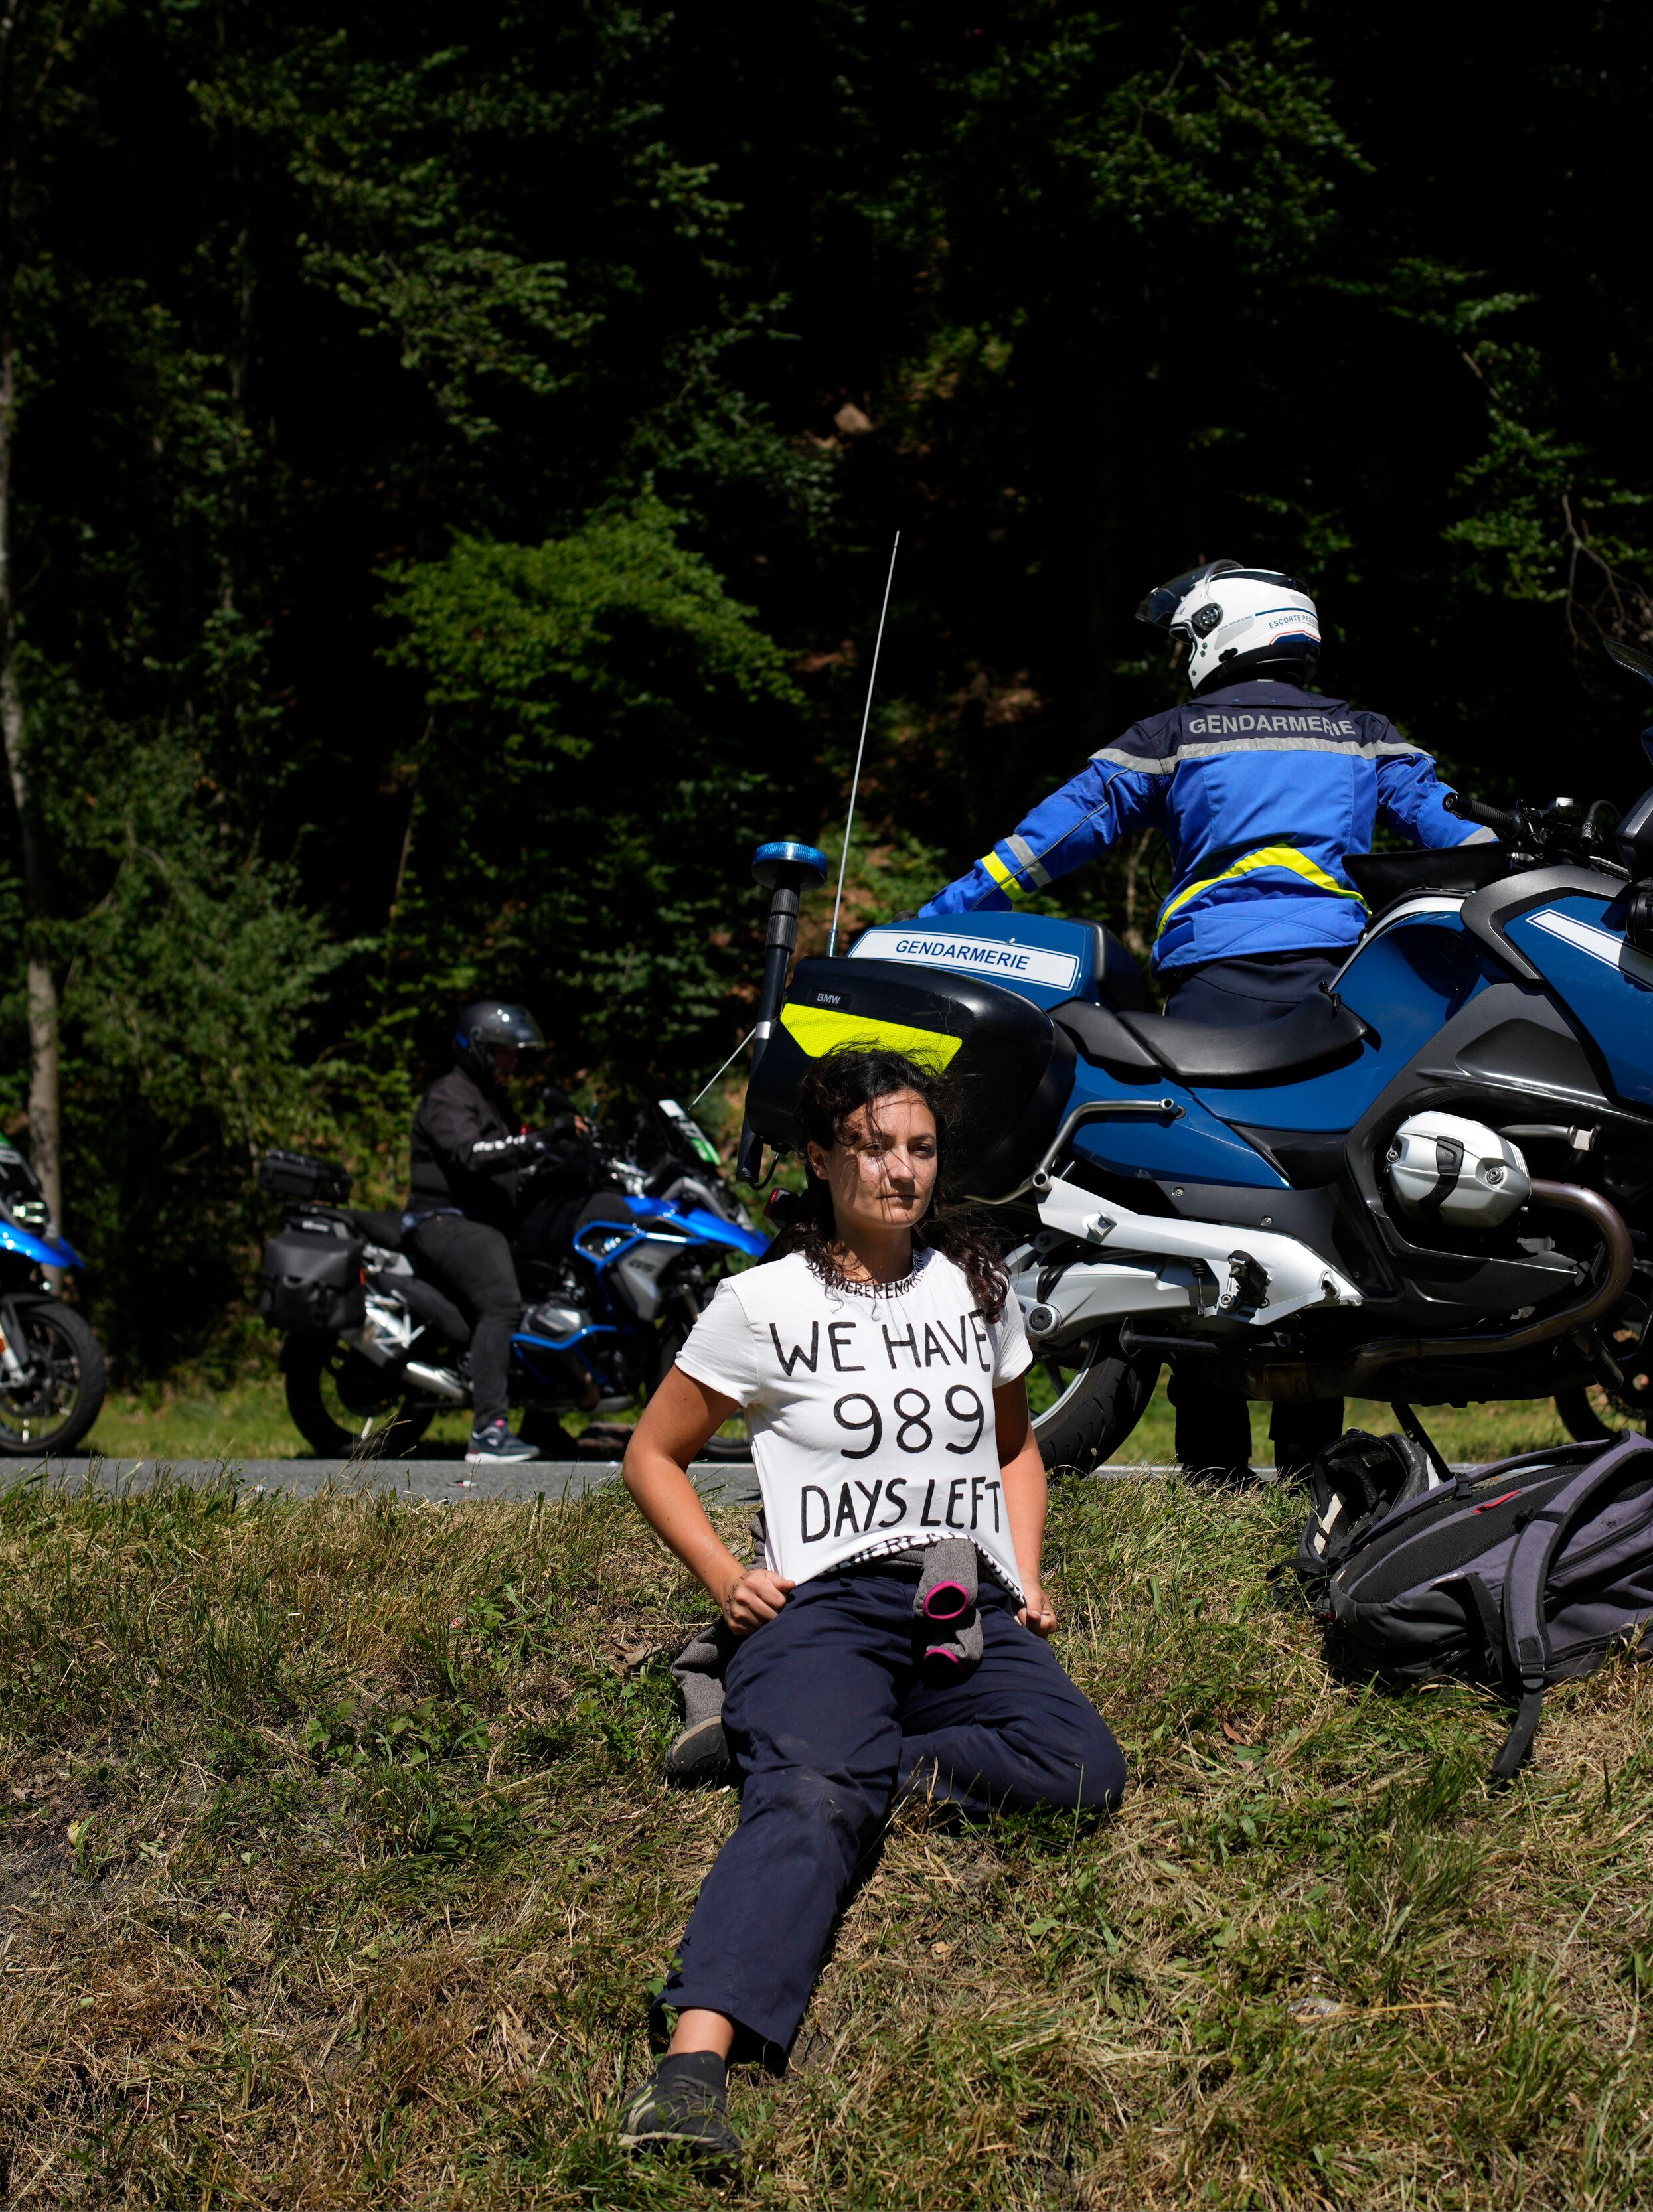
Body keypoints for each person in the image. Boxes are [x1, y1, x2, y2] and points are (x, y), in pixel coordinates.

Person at [614, 1049, 1127, 2161]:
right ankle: (689, 2073)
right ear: (821, 1154)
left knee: (1081, 1766)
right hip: (827, 1597)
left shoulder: (971, 1287)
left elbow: (1015, 1445)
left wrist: (1024, 1570)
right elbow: (653, 1453)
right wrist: (725, 1576)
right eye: (873, 1145)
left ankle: (832, 1752)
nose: (900, 1171)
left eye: (920, 1148)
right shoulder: (759, 1302)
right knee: (805, 1800)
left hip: (952, 1579)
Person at [917, 559, 1494, 1481]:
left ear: (1223, 629)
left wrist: (947, 915)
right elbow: (1458, 830)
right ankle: (1314, 1452)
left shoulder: (1177, 733)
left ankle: (1212, 1459)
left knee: (1199, 1198)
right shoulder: (1361, 733)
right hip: (1341, 986)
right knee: (1318, 1198)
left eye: (1186, 636)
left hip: (1213, 986)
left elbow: (1062, 830)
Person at [406, 999, 629, 1465]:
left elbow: (519, 1158)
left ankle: (541, 1419)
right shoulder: (449, 1095)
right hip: (447, 1220)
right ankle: (488, 1430)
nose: (512, 1061)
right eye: (504, 1052)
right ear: (479, 1048)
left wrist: (568, 1155)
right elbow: (473, 1153)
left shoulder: (491, 1099)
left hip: (489, 1221)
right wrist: (539, 1139)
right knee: (502, 1303)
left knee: (543, 1285)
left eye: (515, 1053)